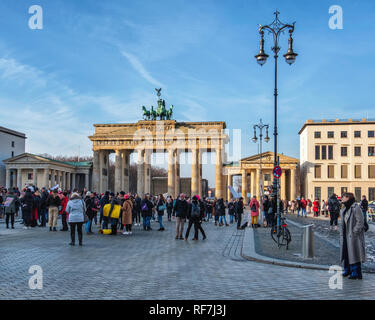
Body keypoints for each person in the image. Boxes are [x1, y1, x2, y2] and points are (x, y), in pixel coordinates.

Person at [340, 192, 366, 280]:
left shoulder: (355, 207)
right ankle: (347, 270)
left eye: (343, 197)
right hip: (346, 235)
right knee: (347, 253)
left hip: (353, 236)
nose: (342, 199)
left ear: (347, 198)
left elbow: (360, 221)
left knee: (354, 254)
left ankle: (355, 272)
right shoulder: (345, 208)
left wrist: (355, 231)